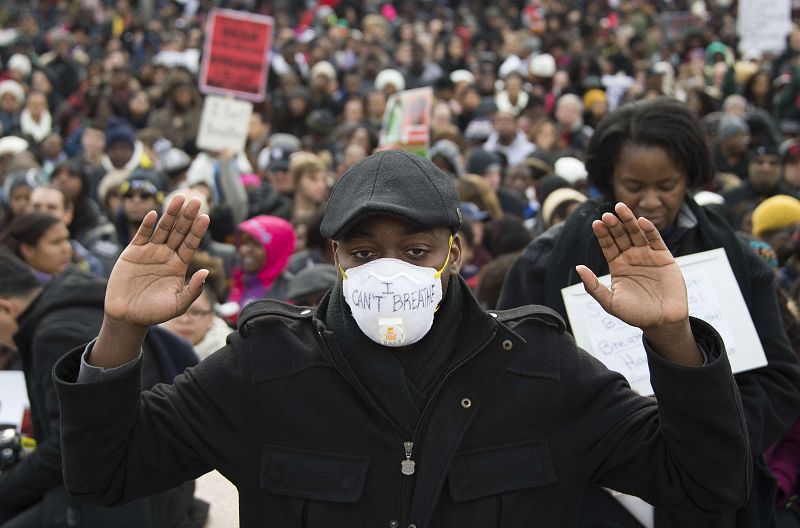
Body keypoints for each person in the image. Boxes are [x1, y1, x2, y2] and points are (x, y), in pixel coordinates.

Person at [52, 150, 751, 527]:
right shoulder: (264, 366)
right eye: (363, 252)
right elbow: (106, 474)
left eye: (413, 252)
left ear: (454, 250)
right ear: (334, 257)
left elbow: (706, 482)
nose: (388, 271)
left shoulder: (539, 365)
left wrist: (674, 340)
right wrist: (119, 332)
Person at [498, 98, 800, 527]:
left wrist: (711, 435)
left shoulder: (734, 258)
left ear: (690, 176)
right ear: (608, 180)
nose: (652, 200)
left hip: (709, 497)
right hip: (594, 493)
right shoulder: (547, 261)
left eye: (668, 184)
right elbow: (516, 379)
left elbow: (779, 378)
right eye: (634, 186)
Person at [0, 248, 203, 527]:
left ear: (5, 307)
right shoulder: (72, 302)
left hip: (126, 498)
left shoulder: (55, 333)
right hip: (144, 481)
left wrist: (7, 487)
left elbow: (68, 446)